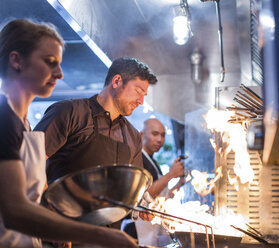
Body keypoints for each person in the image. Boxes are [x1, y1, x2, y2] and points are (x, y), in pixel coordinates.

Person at [0, 19, 136, 247]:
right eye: (50, 62)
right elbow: (15, 211)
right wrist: (100, 235)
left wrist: (57, 226)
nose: (60, 73)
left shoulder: (22, 122)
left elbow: (31, 194)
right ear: (16, 60)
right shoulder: (4, 120)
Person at [34, 57, 157, 183]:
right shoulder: (69, 112)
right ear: (117, 81)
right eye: (138, 91)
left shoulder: (133, 137)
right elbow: (30, 162)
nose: (141, 101)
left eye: (144, 95)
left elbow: (133, 184)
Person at [124, 118, 185, 247]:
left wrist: (180, 183)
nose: (160, 140)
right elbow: (143, 197)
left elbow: (161, 197)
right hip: (136, 229)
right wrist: (171, 174)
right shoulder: (137, 159)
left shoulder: (153, 162)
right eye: (155, 134)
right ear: (142, 135)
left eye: (163, 135)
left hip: (152, 228)